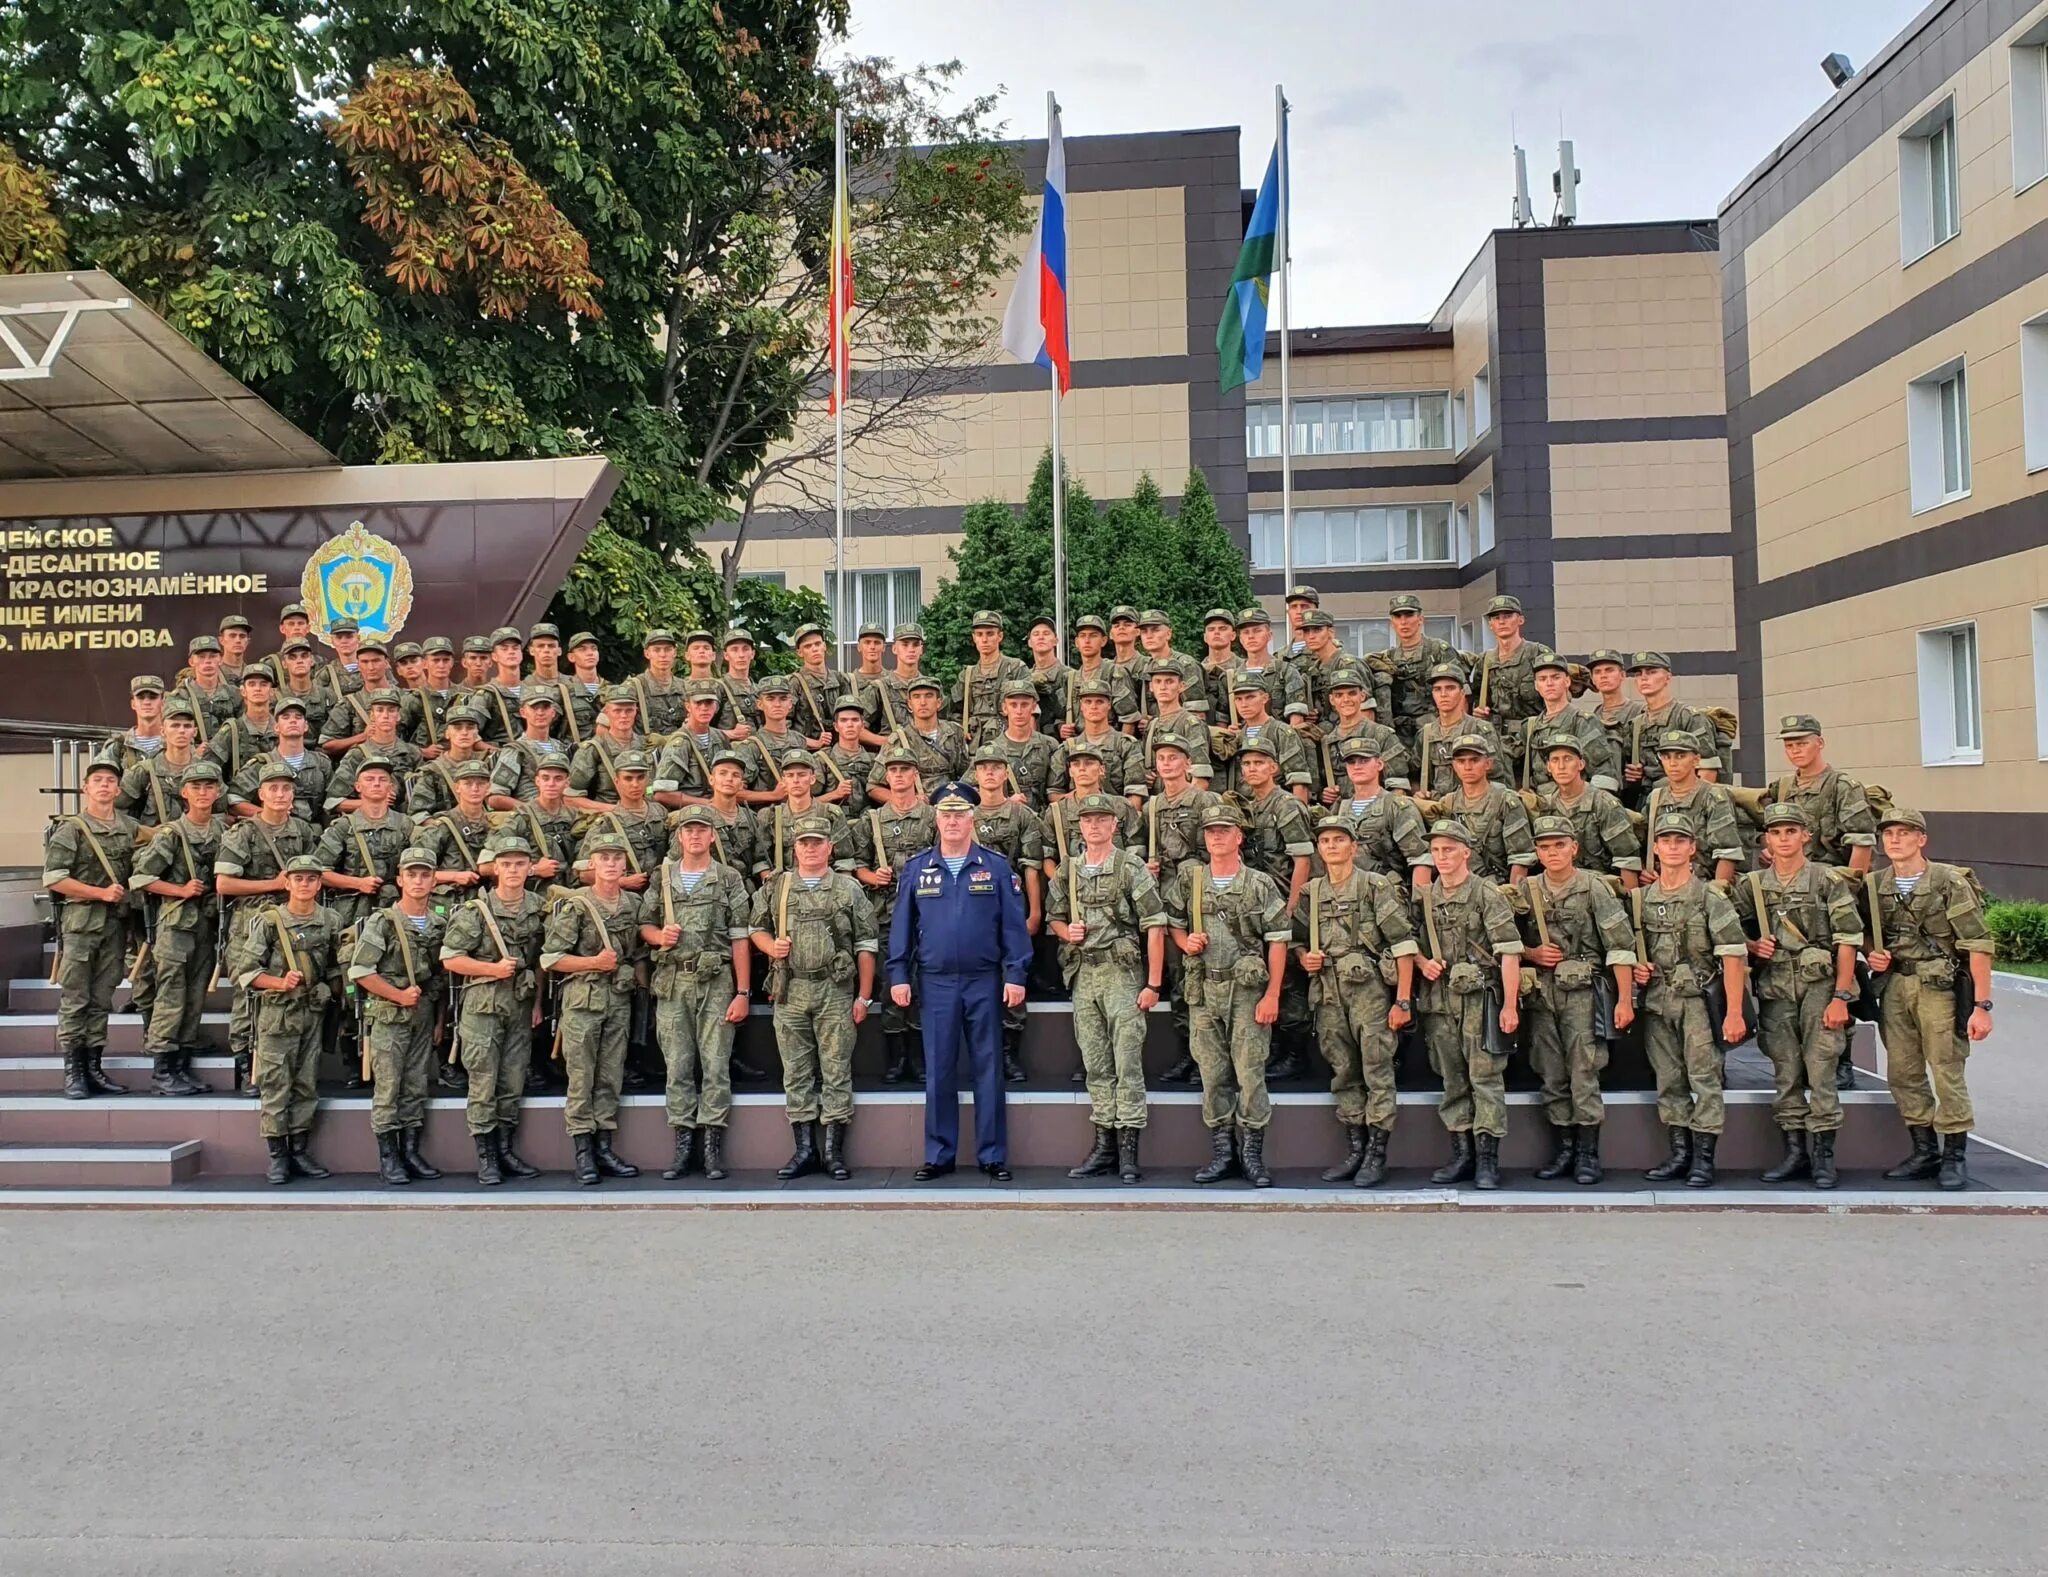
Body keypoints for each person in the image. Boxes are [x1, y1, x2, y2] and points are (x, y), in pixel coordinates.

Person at [888, 786, 1032, 1182]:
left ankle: (992, 1154)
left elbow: (1013, 928)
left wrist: (1015, 973)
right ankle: (939, 1154)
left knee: (988, 1068)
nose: (952, 822)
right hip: (935, 983)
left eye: (960, 815)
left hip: (983, 980)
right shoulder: (918, 868)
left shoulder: (996, 867)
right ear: (936, 819)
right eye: (946, 815)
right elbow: (901, 930)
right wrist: (899, 975)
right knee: (939, 1070)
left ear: (973, 819)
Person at [1730, 803, 1864, 1190]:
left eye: (1791, 831)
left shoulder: (1826, 880)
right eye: (1776, 832)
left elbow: (1847, 940)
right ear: (1766, 841)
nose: (1784, 839)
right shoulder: (1752, 885)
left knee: (1821, 1068)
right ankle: (1794, 1152)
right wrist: (1754, 945)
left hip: (1819, 988)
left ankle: (1824, 1155)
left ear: (1806, 835)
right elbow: (1725, 932)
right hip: (1775, 989)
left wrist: (1841, 996)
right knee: (1786, 1072)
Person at [1863, 806, 1995, 1189]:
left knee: (1946, 1069)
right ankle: (1924, 1150)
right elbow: (1867, 932)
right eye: (1889, 834)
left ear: (1922, 839)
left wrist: (1982, 1007)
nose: (1896, 840)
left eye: (1905, 833)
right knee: (1902, 1073)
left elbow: (1978, 945)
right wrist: (1874, 952)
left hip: (1938, 988)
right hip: (1894, 987)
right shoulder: (1875, 885)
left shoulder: (1948, 881)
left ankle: (1954, 1153)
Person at [751, 814, 878, 1180]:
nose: (810, 848)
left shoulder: (847, 888)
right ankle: (804, 1149)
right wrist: (770, 947)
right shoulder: (779, 886)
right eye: (804, 843)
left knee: (836, 1070)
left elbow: (866, 944)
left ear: (829, 847)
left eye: (817, 842)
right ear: (795, 848)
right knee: (796, 1072)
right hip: (790, 989)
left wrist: (864, 996)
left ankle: (833, 1151)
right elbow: (754, 928)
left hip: (834, 990)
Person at [1166, 805, 1288, 1186]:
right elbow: (1172, 921)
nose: (1216, 837)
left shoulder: (1258, 884)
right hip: (1205, 989)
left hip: (1247, 991)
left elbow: (1278, 942)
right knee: (1212, 1073)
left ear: (1239, 837)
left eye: (1224, 830)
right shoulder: (1192, 880)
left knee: (1250, 1072)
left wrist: (1272, 995)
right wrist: (1187, 942)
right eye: (1210, 831)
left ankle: (1251, 1152)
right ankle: (1223, 1151)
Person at [1295, 813, 1418, 1188]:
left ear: (1354, 846)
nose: (1331, 846)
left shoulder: (1374, 886)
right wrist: (1304, 958)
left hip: (1369, 991)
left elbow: (1403, 945)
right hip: (1328, 992)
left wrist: (1403, 1001)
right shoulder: (1311, 892)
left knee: (1377, 1068)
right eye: (1325, 841)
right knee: (1344, 1071)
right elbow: (1297, 938)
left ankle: (1376, 1152)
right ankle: (1355, 1149)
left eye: (1338, 840)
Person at [1049, 794, 1167, 1183]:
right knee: (1096, 1063)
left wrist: (1153, 983)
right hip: (1085, 973)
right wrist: (1069, 932)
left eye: (1102, 819)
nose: (1094, 826)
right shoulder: (1069, 870)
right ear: (1079, 826)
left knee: (1127, 1061)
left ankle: (1129, 1150)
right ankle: (1104, 1146)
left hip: (1122, 974)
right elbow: (1055, 917)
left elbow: (1154, 925)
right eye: (1088, 820)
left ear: (1114, 825)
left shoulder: (1130, 867)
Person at [1518, 815, 1638, 1185]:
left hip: (1584, 994)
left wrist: (1625, 1000)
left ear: (1574, 847)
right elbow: (1504, 942)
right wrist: (1533, 954)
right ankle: (1564, 1149)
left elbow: (1620, 946)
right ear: (1537, 852)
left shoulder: (1593, 888)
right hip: (1543, 994)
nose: (1552, 852)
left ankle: (1588, 1153)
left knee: (1583, 1071)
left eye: (1559, 845)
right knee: (1550, 1072)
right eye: (1544, 846)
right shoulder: (1527, 890)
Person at [1630, 815, 1748, 1188]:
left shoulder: (1709, 896)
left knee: (1704, 1078)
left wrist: (1733, 1012)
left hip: (1698, 1000)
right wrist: (1639, 969)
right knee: (1669, 1079)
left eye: (1680, 840)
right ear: (1656, 848)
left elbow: (1733, 956)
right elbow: (1630, 950)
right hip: (1657, 1001)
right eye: (1666, 840)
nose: (1673, 847)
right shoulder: (1640, 899)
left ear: (1693, 847)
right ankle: (1679, 1153)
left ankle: (1704, 1158)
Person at [642, 806, 754, 1182]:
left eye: (701, 830)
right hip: (674, 981)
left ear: (712, 836)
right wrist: (658, 937)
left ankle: (711, 1148)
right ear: (679, 837)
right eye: (688, 830)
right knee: (677, 1065)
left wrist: (742, 991)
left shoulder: (728, 879)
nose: (694, 836)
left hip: (716, 980)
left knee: (716, 1064)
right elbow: (644, 923)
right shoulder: (663, 876)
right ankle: (683, 1146)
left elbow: (740, 937)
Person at [1412, 820, 1523, 1189]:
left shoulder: (1486, 894)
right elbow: (1407, 943)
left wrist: (1510, 1005)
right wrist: (1421, 963)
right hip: (1439, 1002)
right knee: (1453, 1080)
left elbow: (1508, 951)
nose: (1442, 857)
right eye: (1437, 850)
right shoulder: (1425, 897)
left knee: (1486, 1078)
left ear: (1466, 852)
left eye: (1449, 849)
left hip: (1479, 1000)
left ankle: (1488, 1160)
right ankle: (1461, 1155)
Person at [439, 834, 550, 1184]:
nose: (513, 870)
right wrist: (491, 969)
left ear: (530, 868)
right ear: (495, 869)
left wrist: (536, 1004)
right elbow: (450, 958)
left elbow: (539, 963)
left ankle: (505, 1149)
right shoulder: (477, 911)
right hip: (483, 1006)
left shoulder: (537, 907)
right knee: (484, 1081)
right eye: (506, 864)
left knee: (513, 1078)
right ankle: (486, 1156)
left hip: (518, 1005)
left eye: (520, 863)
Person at [231, 855, 344, 1185]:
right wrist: (279, 983)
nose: (305, 884)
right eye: (299, 879)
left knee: (306, 1083)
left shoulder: (331, 920)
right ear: (287, 883)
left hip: (313, 1012)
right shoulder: (269, 921)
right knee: (276, 1084)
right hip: (279, 1013)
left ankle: (299, 1149)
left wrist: (334, 991)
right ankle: (278, 1155)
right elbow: (246, 971)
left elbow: (337, 966)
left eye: (311, 879)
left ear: (319, 884)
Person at [542, 832, 645, 1185]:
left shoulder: (632, 905)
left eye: (617, 858)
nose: (612, 864)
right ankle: (583, 1151)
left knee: (609, 1075)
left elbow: (637, 954)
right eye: (605, 858)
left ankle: (604, 1146)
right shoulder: (577, 904)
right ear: (592, 864)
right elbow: (551, 958)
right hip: (583, 1000)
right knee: (582, 1076)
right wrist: (592, 963)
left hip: (618, 1000)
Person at [348, 847, 451, 1186]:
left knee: (416, 1085)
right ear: (400, 880)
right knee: (389, 1088)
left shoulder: (438, 922)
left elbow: (438, 978)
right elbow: (361, 971)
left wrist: (437, 1021)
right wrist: (398, 995)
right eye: (412, 874)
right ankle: (389, 1157)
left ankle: (410, 1151)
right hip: (390, 1015)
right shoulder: (383, 921)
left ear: (435, 880)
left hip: (421, 1015)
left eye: (425, 874)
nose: (419, 881)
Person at [214, 763, 318, 1094]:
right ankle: (247, 1067)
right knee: (249, 996)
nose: (281, 794)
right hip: (252, 923)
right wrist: (271, 884)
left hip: (292, 924)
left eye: (286, 788)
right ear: (261, 794)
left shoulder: (302, 830)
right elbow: (224, 884)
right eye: (273, 788)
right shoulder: (243, 832)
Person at [45, 758, 143, 1100]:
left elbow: (157, 838)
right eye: (97, 780)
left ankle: (94, 1067)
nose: (104, 785)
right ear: (86, 788)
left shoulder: (128, 826)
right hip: (81, 926)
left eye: (110, 781)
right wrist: (99, 892)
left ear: (118, 790)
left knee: (102, 999)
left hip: (114, 927)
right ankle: (74, 1071)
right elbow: (55, 878)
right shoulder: (71, 828)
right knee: (76, 999)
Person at [127, 759, 226, 1097]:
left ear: (217, 792)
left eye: (209, 786)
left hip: (206, 924)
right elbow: (140, 878)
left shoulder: (222, 831)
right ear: (184, 793)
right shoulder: (172, 833)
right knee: (171, 996)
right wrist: (179, 890)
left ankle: (181, 1066)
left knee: (195, 996)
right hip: (175, 927)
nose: (203, 792)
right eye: (196, 787)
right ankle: (162, 1070)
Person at [855, 746, 938, 1083]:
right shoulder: (871, 820)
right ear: (886, 777)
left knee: (924, 984)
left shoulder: (933, 818)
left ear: (916, 774)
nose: (900, 776)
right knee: (892, 983)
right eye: (894, 770)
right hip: (886, 912)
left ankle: (918, 1056)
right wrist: (872, 876)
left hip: (929, 914)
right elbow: (853, 862)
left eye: (906, 769)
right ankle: (896, 1056)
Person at [967, 747, 1045, 1082]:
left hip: (1010, 907)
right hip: (973, 910)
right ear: (976, 775)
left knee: (1013, 980)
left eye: (996, 768)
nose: (989, 774)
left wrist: (1035, 910)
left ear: (1005, 773)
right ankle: (982, 1057)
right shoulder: (965, 817)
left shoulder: (1021, 815)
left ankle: (1008, 1055)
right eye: (983, 768)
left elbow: (1030, 866)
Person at [1535, 733, 1640, 885]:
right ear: (1548, 767)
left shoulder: (1604, 803)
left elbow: (1627, 860)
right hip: (1558, 885)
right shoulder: (1545, 804)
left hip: (1598, 886)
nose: (1561, 766)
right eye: (1555, 760)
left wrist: (1629, 901)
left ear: (1581, 764)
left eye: (1568, 759)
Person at [1330, 740, 1431, 886]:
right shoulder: (1340, 808)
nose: (1357, 766)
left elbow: (1420, 859)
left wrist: (1418, 903)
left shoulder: (1396, 806)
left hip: (1388, 893)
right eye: (1351, 762)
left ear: (1379, 764)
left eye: (1364, 760)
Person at [1440, 734, 1536, 884]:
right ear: (1453, 766)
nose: (1467, 767)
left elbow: (1521, 857)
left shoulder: (1506, 801)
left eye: (1474, 760)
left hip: (1497, 884)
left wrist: (1512, 894)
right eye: (1461, 761)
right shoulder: (1449, 803)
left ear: (1488, 764)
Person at [1379, 595, 1466, 749]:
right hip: (1401, 734)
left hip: (1435, 729)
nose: (1404, 622)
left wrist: (1457, 731)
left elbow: (1461, 693)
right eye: (1398, 616)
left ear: (1420, 619)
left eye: (1409, 615)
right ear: (1392, 622)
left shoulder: (1438, 650)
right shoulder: (1388, 658)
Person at [1413, 663, 1503, 796]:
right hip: (1438, 807)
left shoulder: (1480, 729)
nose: (1443, 694)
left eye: (1450, 688)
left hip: (1473, 804)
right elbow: (1414, 776)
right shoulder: (1426, 734)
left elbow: (1497, 775)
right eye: (1438, 689)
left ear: (1462, 693)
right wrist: (1420, 794)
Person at [954, 610, 1032, 742]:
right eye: (979, 634)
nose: (984, 640)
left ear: (1000, 636)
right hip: (974, 747)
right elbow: (953, 712)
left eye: (990, 634)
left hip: (1008, 743)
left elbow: (1031, 710)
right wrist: (960, 730)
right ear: (974, 638)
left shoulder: (1015, 669)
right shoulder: (967, 675)